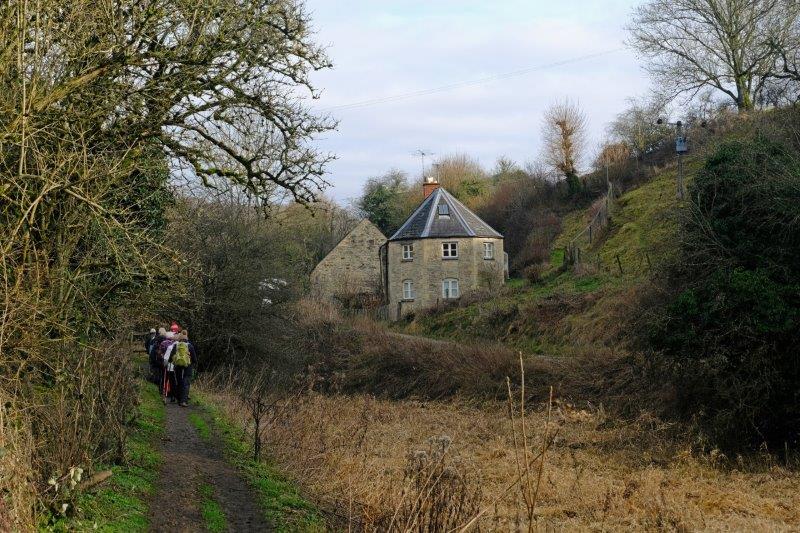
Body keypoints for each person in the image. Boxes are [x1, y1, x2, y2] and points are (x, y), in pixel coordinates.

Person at [169, 330, 197, 408]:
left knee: (179, 382)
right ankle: (184, 401)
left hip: (177, 366)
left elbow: (171, 357)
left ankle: (179, 399)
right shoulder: (190, 346)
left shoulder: (176, 345)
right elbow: (194, 358)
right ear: (186, 338)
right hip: (188, 366)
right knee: (186, 382)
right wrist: (194, 363)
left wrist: (170, 361)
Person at [159, 331, 177, 404]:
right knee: (173, 382)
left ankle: (164, 394)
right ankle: (173, 396)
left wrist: (164, 364)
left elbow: (166, 358)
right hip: (177, 367)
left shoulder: (169, 347)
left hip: (169, 366)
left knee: (166, 380)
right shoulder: (179, 346)